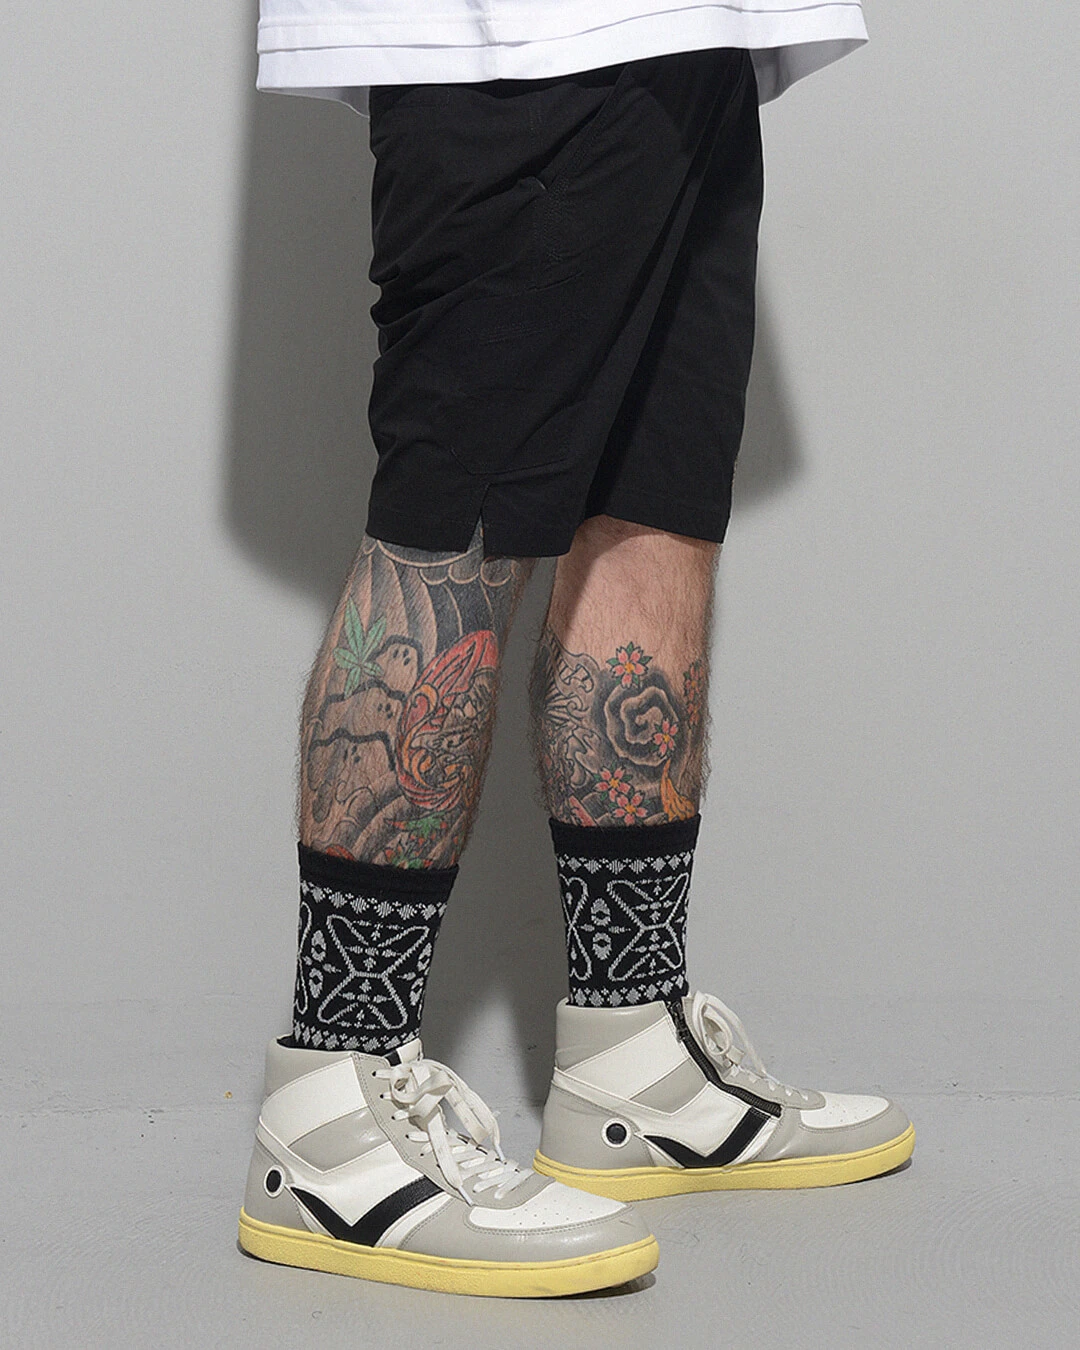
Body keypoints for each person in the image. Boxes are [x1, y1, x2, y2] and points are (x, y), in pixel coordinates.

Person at [238, 0, 914, 1298]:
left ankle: (632, 1054)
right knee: (453, 534)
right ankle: (330, 1103)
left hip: (693, 37)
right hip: (511, 38)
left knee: (656, 512)